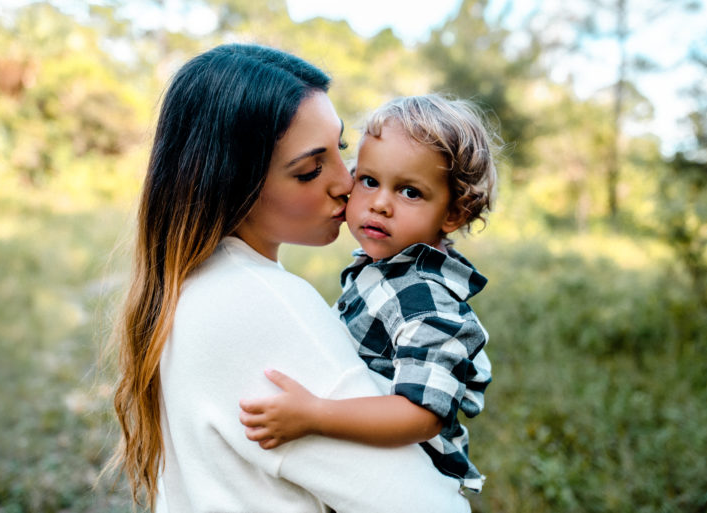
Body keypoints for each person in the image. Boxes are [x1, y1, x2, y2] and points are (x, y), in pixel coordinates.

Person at [108, 45, 470, 513]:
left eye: (341, 150)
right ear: (232, 185)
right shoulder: (262, 303)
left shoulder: (190, 286)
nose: (346, 183)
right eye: (310, 170)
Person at [239, 94, 497, 494]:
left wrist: (315, 415)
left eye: (409, 192)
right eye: (369, 181)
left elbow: (422, 415)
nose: (379, 204)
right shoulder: (387, 270)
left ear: (453, 213)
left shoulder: (424, 298)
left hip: (403, 485)